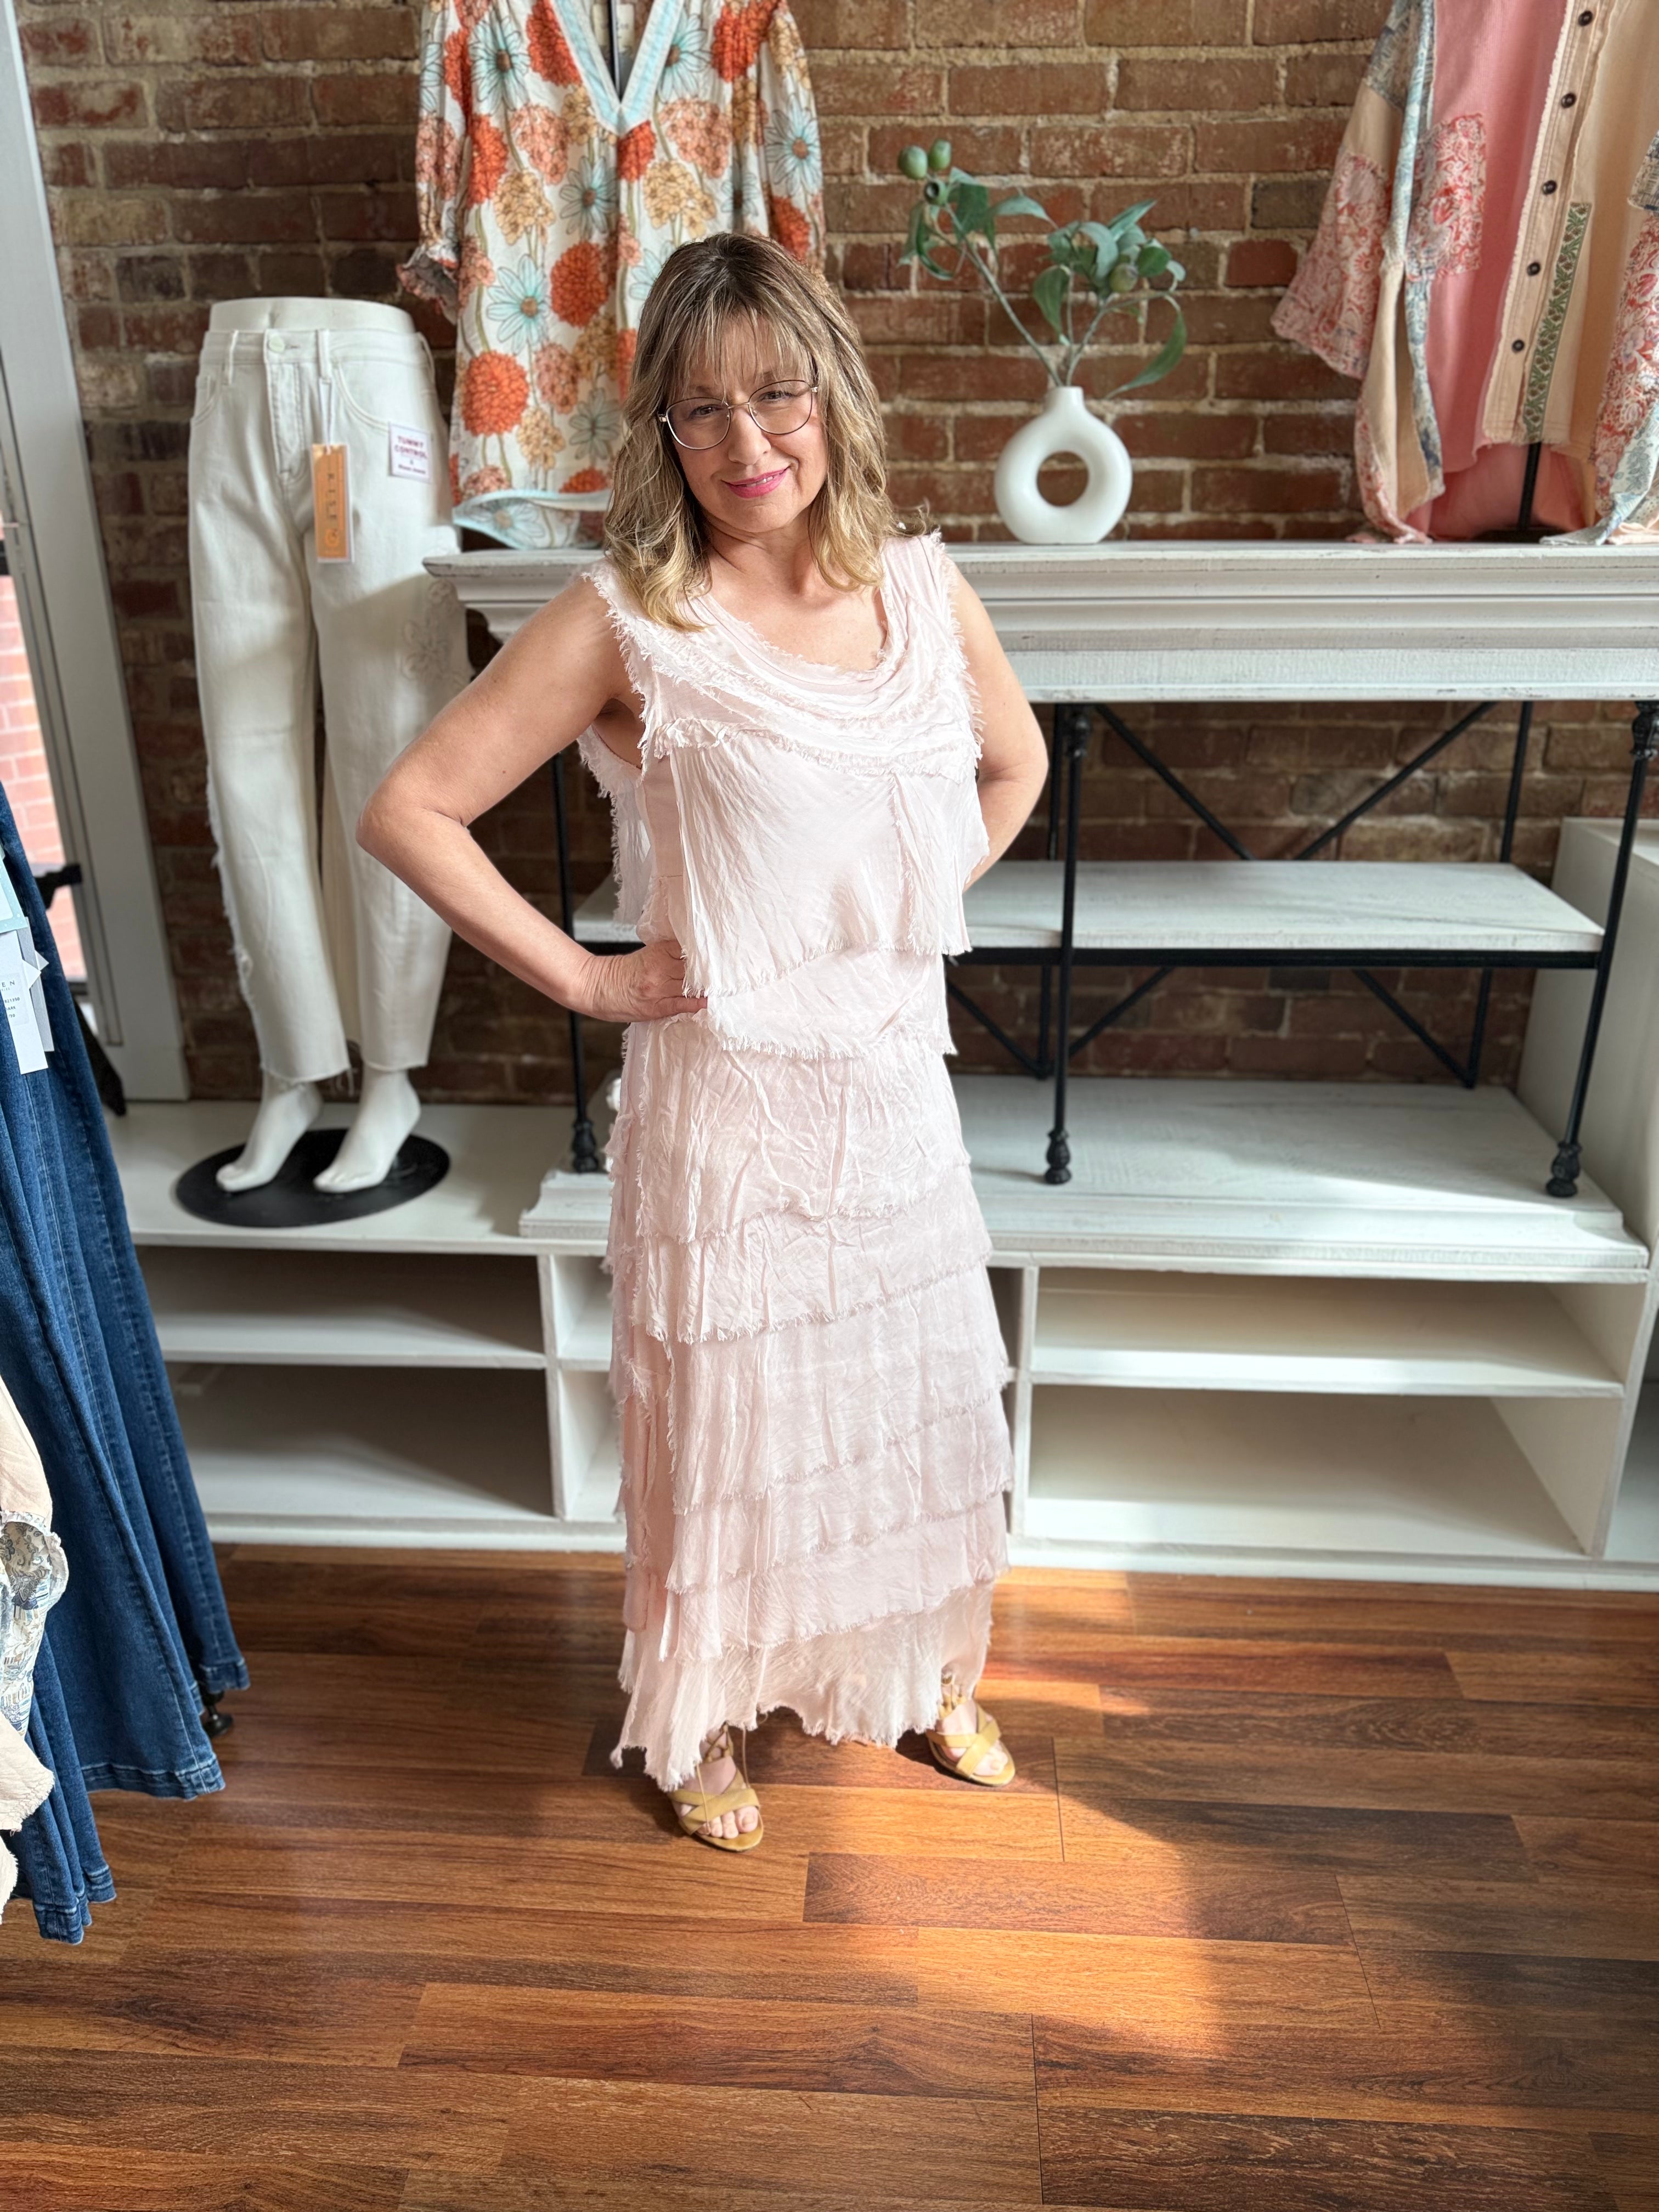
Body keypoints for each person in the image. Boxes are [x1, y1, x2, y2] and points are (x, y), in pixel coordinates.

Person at [359, 233, 1049, 1852]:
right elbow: (410, 809)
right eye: (703, 413)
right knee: (734, 1434)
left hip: (890, 1099)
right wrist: (591, 987)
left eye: (779, 396)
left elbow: (1008, 773)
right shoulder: (627, 617)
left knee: (913, 1404)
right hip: (726, 1123)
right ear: (661, 436)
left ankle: (927, 1677)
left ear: (834, 394)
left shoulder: (927, 587)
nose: (751, 446)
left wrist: (885, 901)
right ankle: (694, 1723)